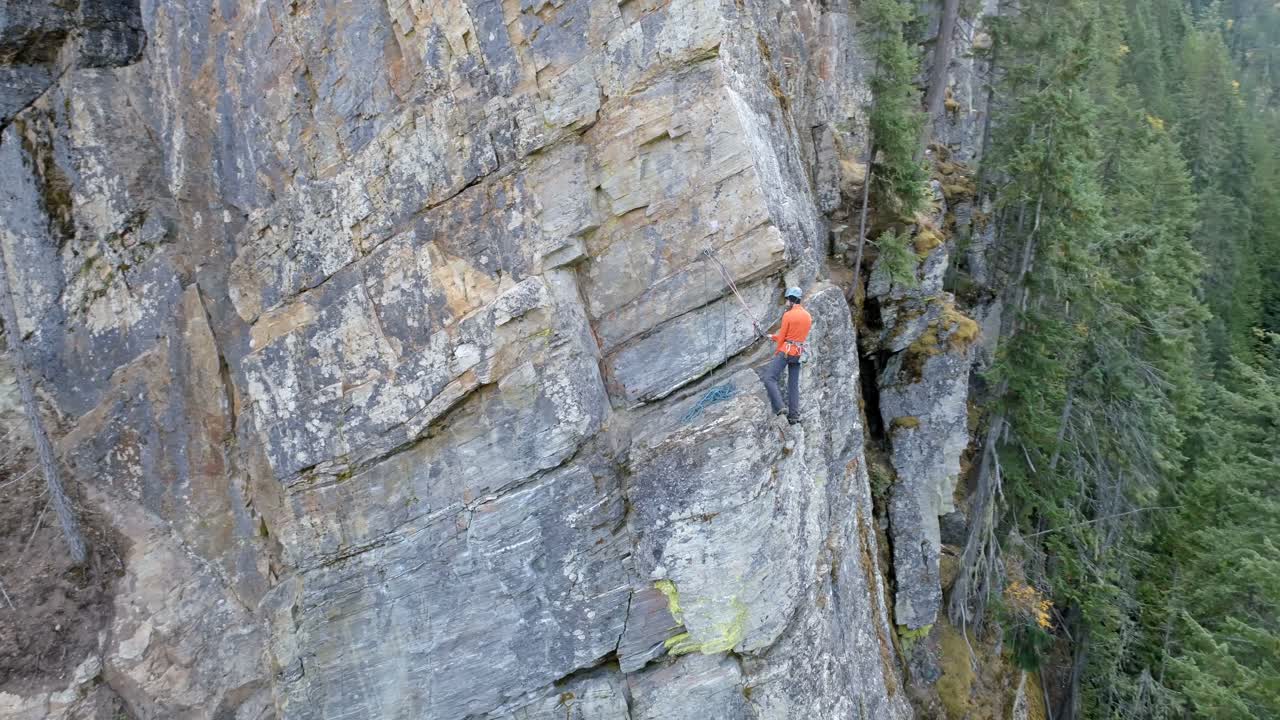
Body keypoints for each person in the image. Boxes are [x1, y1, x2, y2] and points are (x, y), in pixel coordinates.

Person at [761, 287, 812, 425]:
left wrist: (778, 351)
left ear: (791, 299)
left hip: (786, 351)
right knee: (793, 385)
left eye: (788, 299)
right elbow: (795, 337)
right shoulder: (807, 316)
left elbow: (784, 336)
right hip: (798, 353)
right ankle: (794, 416)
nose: (787, 301)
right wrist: (773, 337)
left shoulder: (788, 315)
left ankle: (780, 407)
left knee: (769, 378)